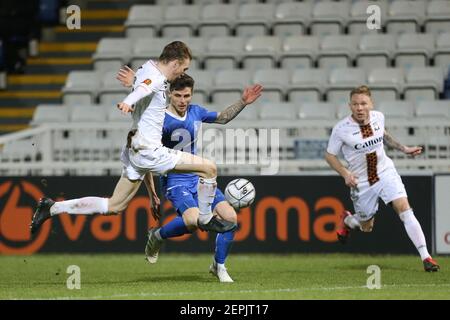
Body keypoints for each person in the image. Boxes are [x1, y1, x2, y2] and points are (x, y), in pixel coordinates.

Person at [30, 41, 236, 235]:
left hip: (135, 149)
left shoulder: (148, 68)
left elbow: (143, 83)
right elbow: (144, 89)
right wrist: (129, 100)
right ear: (175, 63)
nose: (184, 72)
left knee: (113, 206)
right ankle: (207, 217)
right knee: (209, 168)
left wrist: (134, 82)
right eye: (184, 68)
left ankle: (53, 208)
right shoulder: (155, 79)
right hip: (149, 150)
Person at [117, 69, 263, 282]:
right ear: (169, 94)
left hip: (199, 177)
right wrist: (151, 195)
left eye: (187, 95)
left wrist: (242, 102)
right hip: (175, 181)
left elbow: (222, 118)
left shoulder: (195, 112)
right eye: (178, 95)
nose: (183, 100)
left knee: (231, 217)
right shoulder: (158, 120)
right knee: (193, 221)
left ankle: (219, 266)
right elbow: (144, 160)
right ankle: (157, 235)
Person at [325, 85, 440, 272]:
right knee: (366, 227)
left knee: (404, 208)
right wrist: (346, 173)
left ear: (371, 103)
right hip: (362, 182)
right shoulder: (341, 129)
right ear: (350, 106)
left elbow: (384, 136)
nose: (359, 108)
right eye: (355, 104)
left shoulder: (378, 117)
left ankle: (426, 257)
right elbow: (329, 156)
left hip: (385, 172)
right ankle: (347, 220)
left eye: (363, 103)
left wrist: (404, 149)